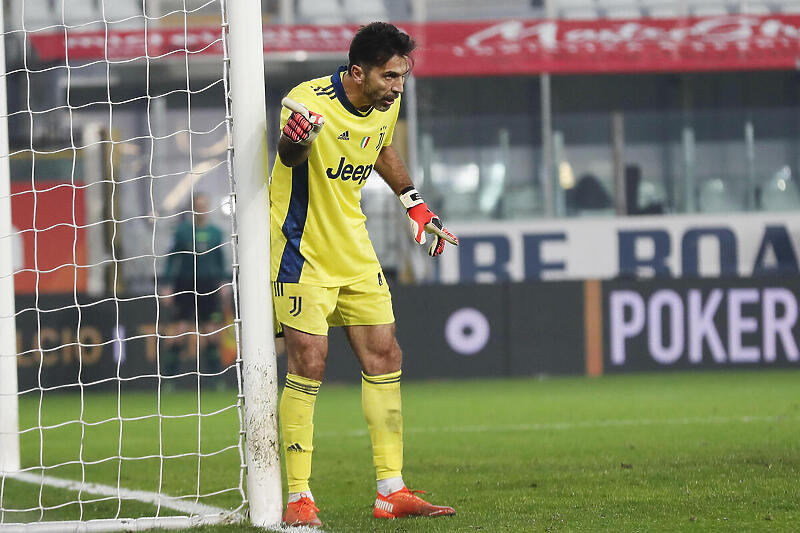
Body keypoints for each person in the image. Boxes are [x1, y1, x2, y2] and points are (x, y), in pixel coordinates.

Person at [271, 22, 458, 527]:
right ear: (357, 72)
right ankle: (299, 497)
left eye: (403, 76)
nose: (399, 87)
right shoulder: (306, 100)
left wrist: (414, 205)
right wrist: (297, 141)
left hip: (354, 249)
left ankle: (390, 489)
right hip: (300, 251)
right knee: (308, 362)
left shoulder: (383, 103)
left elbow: (380, 146)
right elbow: (289, 155)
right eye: (391, 76)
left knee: (385, 354)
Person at [161, 193, 228, 385]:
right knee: (180, 331)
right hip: (185, 284)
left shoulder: (216, 232)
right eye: (198, 205)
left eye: (204, 205)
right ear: (192, 208)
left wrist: (223, 282)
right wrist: (167, 285)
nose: (201, 209)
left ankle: (216, 380)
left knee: (211, 331)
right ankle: (169, 380)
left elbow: (220, 260)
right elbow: (171, 258)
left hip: (208, 284)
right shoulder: (182, 232)